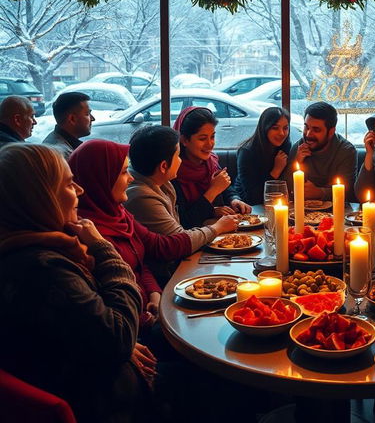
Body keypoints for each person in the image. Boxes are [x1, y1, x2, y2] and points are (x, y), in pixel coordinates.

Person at [0, 144, 148, 423]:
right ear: (40, 198)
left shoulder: (47, 247)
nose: (80, 191)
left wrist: (124, 343)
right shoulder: (42, 269)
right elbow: (117, 339)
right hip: (109, 403)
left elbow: (96, 330)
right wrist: (105, 251)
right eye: (69, 184)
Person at [69, 139, 194, 329]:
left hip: (149, 307)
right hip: (132, 327)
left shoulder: (118, 213)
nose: (131, 178)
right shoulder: (86, 233)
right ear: (101, 178)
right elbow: (103, 307)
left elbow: (139, 262)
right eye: (123, 172)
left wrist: (154, 292)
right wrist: (144, 318)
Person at [125, 125, 239, 282]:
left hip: (178, 263)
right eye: (178, 156)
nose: (181, 161)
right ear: (164, 166)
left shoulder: (161, 181)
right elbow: (180, 240)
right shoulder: (142, 196)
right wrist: (217, 228)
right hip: (163, 275)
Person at [172, 106, 251, 229]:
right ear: (184, 140)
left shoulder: (211, 161)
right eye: (202, 138)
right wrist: (213, 194)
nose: (210, 144)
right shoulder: (173, 172)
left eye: (212, 137)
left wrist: (234, 200)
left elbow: (225, 188)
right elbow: (185, 220)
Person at [286, 102, 357, 201]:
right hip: (301, 211)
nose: (308, 134)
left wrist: (320, 192)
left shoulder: (345, 151)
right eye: (306, 127)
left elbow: (348, 192)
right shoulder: (298, 147)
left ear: (331, 132)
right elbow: (286, 189)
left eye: (316, 130)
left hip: (336, 212)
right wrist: (296, 161)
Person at [235, 107, 291, 205]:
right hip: (247, 208)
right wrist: (275, 171)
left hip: (277, 204)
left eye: (285, 128)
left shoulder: (285, 147)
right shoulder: (247, 152)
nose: (282, 133)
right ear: (264, 128)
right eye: (275, 128)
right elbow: (253, 197)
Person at [43, 91, 95, 159]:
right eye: (87, 114)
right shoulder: (64, 155)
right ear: (72, 119)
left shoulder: (54, 141)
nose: (93, 119)